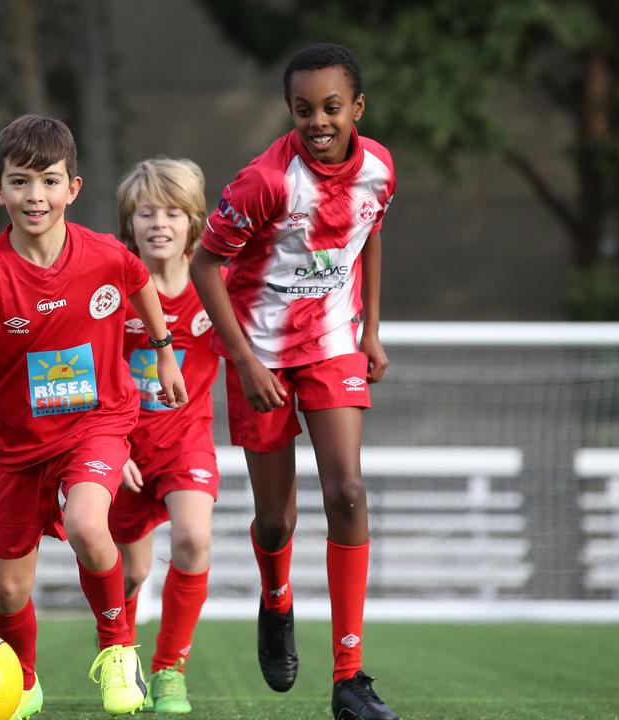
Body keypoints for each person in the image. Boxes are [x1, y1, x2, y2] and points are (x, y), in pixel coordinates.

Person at [0, 114, 188, 719]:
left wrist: (164, 350)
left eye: (48, 181)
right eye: (20, 182)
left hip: (97, 425)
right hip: (18, 450)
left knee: (87, 524)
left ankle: (118, 651)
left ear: (73, 188)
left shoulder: (103, 255)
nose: (35, 196)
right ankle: (22, 682)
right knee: (8, 589)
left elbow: (139, 281)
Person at [190, 43, 399, 720]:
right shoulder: (265, 183)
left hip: (334, 343)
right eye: (304, 109)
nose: (319, 121)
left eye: (332, 107)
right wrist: (244, 360)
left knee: (348, 490)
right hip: (264, 355)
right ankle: (275, 598)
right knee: (276, 520)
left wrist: (369, 327)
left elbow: (369, 229)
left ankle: (349, 677)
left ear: (356, 109)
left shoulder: (380, 168)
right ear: (290, 111)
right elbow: (204, 267)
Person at [109, 158, 219, 714]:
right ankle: (121, 660)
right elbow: (81, 369)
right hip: (122, 447)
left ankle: (169, 669)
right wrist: (106, 447)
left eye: (173, 212)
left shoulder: (214, 283)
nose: (159, 223)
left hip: (186, 440)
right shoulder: (109, 288)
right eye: (146, 212)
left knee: (194, 540)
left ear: (193, 221)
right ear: (128, 224)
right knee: (130, 571)